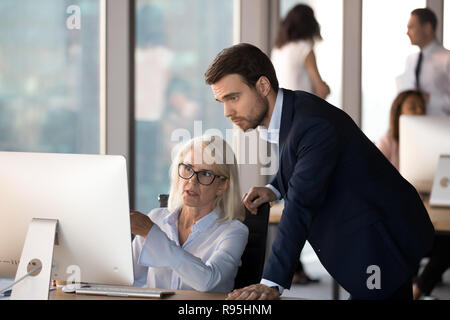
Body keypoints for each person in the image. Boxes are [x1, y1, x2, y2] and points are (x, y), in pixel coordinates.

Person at [204, 43, 435, 300]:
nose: (227, 112)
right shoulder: (291, 112)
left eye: (233, 98)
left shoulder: (311, 124)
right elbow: (297, 159)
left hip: (382, 237)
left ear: (262, 86)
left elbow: (300, 205)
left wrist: (271, 282)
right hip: (366, 235)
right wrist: (274, 188)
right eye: (221, 101)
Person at [130, 135, 249, 293]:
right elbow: (130, 278)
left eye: (206, 174)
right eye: (188, 168)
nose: (192, 181)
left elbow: (207, 281)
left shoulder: (234, 231)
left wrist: (153, 235)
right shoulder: (156, 218)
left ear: (222, 185)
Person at [271, 4, 328, 285]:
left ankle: (294, 264)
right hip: (304, 125)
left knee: (293, 194)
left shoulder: (279, 50)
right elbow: (320, 87)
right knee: (302, 197)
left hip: (281, 126)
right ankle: (291, 265)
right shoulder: (305, 47)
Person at [396, 8, 450, 116]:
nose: (407, 33)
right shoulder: (411, 60)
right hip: (413, 125)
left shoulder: (447, 59)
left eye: (411, 27)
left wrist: (429, 98)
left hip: (441, 126)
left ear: (427, 28)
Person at [271, 4, 330, 100]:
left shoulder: (278, 49)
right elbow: (321, 89)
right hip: (301, 110)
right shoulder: (304, 48)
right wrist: (326, 89)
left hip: (281, 109)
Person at [376, 90, 426, 170]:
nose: (420, 111)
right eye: (412, 108)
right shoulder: (387, 142)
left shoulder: (427, 144)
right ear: (398, 113)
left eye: (423, 108)